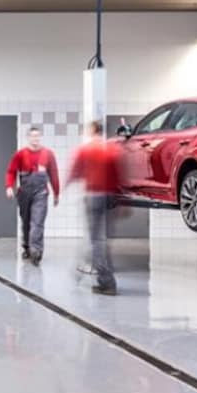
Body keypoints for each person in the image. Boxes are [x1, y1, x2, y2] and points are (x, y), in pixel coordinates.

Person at [69, 121, 121, 295]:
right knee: (103, 240)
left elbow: (75, 172)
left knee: (95, 241)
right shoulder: (111, 150)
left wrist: (66, 186)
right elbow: (117, 175)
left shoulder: (86, 149)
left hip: (93, 197)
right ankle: (102, 275)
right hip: (109, 197)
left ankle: (107, 282)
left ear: (92, 131)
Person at [5, 125, 60, 265]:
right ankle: (27, 247)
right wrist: (9, 186)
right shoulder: (20, 154)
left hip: (41, 193)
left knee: (38, 222)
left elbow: (54, 174)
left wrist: (56, 193)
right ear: (28, 138)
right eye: (33, 136)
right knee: (26, 222)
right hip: (24, 192)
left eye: (37, 136)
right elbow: (11, 171)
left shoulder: (48, 154)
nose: (35, 139)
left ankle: (36, 251)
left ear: (40, 137)